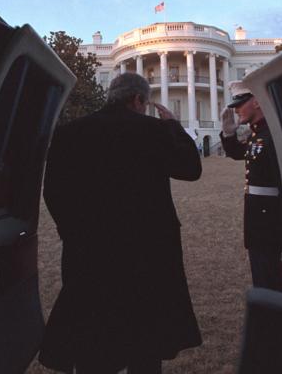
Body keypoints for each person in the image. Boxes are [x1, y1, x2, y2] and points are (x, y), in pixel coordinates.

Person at [39, 73, 202, 374]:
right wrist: (174, 126)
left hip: (88, 254)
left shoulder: (70, 132)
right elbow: (191, 169)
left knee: (94, 337)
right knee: (145, 340)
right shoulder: (153, 130)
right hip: (146, 255)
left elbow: (53, 191)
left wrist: (72, 233)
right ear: (138, 100)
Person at [220, 80, 282, 291]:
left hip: (270, 222)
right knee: (263, 276)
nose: (236, 109)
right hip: (259, 220)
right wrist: (229, 134)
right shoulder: (257, 135)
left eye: (241, 103)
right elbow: (239, 154)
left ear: (257, 102)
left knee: (269, 281)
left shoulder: (272, 135)